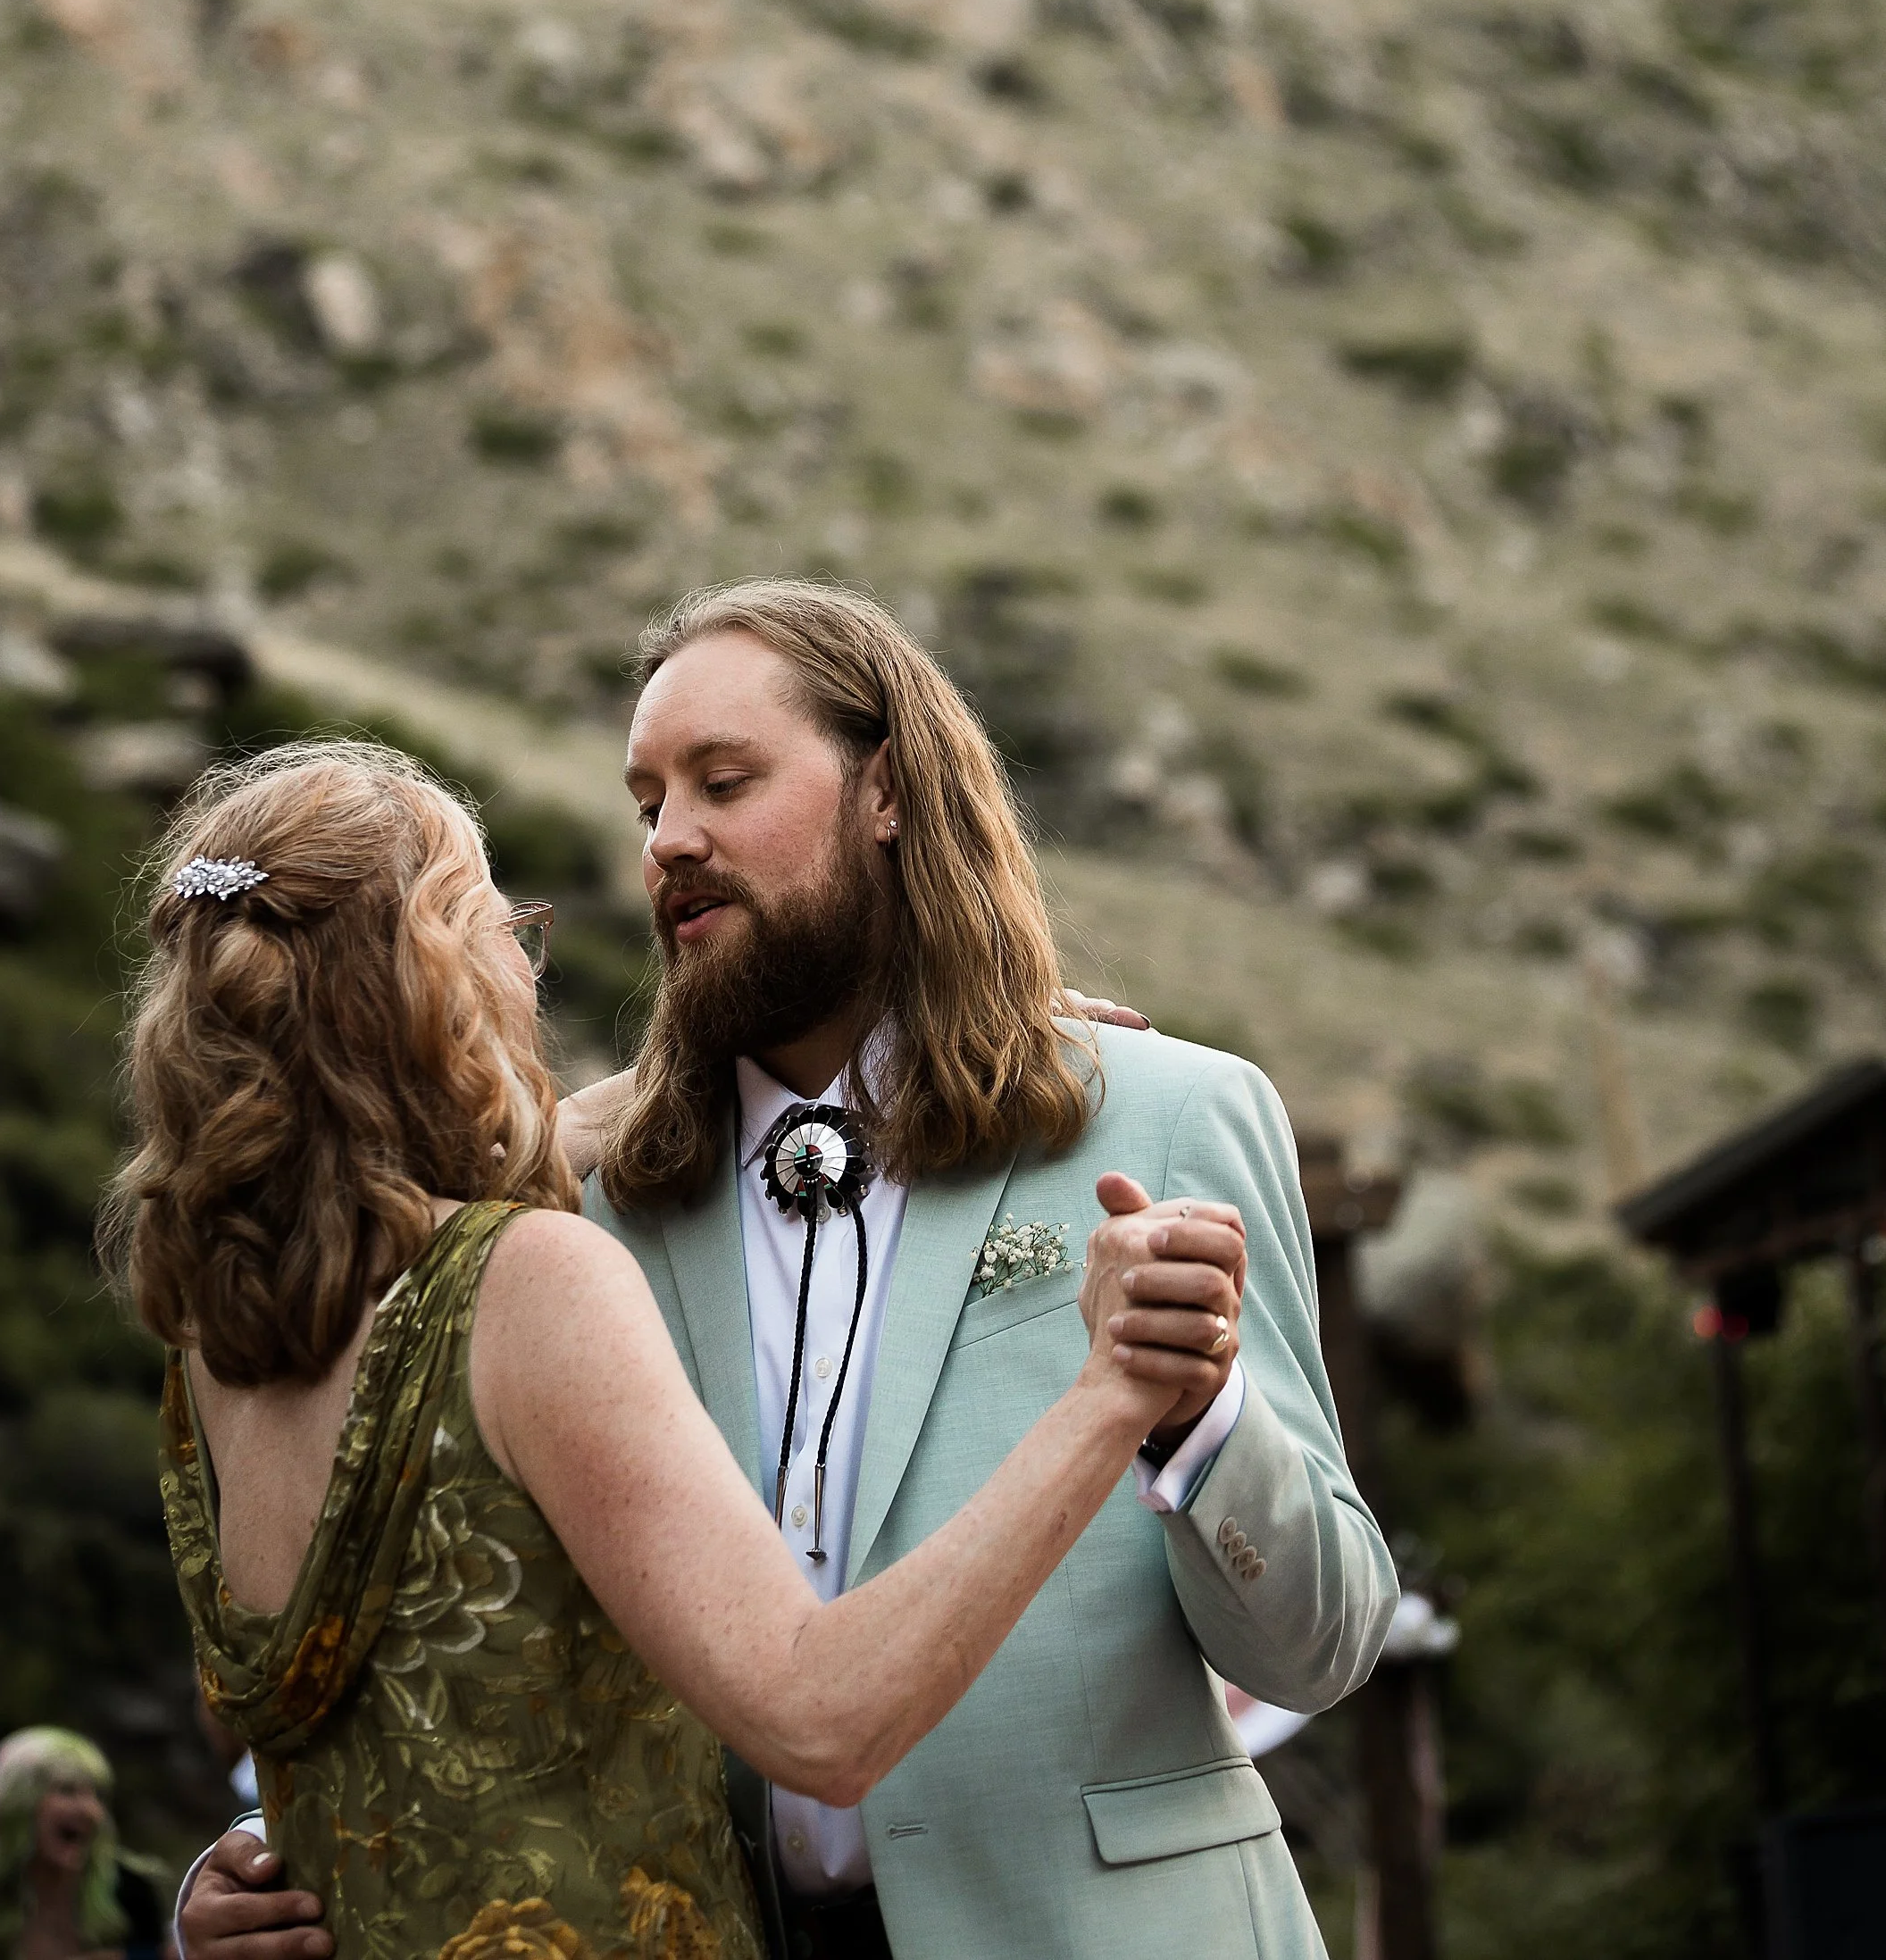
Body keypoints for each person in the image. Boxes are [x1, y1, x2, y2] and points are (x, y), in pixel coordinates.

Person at [180, 582, 1398, 1960]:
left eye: (725, 780)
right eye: (648, 803)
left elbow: (1321, 1647)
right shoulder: (575, 1213)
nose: (670, 838)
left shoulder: (1164, 1115)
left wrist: (1200, 1415)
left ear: (887, 790)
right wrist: (258, 1869)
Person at [0, 1733, 161, 1960]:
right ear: (18, 1804)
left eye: (97, 1795)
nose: (91, 1811)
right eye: (67, 1790)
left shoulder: (131, 1894)